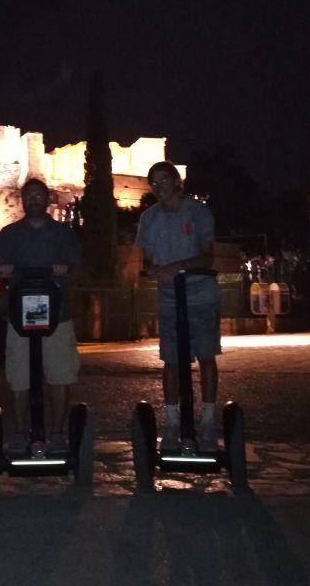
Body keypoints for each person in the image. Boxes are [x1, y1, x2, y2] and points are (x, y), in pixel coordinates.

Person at [0, 178, 83, 454]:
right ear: (22, 199)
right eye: (28, 195)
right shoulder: (9, 234)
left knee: (60, 375)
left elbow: (78, 267)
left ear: (47, 199)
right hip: (19, 317)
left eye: (38, 195)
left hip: (59, 315)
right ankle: (19, 433)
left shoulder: (63, 233)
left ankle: (57, 434)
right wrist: (0, 271)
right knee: (19, 376)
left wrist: (66, 269)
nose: (33, 199)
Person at [135, 161, 222, 452]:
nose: (158, 187)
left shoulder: (198, 212)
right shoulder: (149, 218)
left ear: (176, 181)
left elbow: (208, 255)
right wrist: (154, 270)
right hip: (170, 295)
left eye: (163, 180)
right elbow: (146, 260)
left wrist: (178, 267)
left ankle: (209, 422)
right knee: (171, 360)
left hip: (200, 292)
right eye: (153, 183)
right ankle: (173, 424)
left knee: (206, 356)